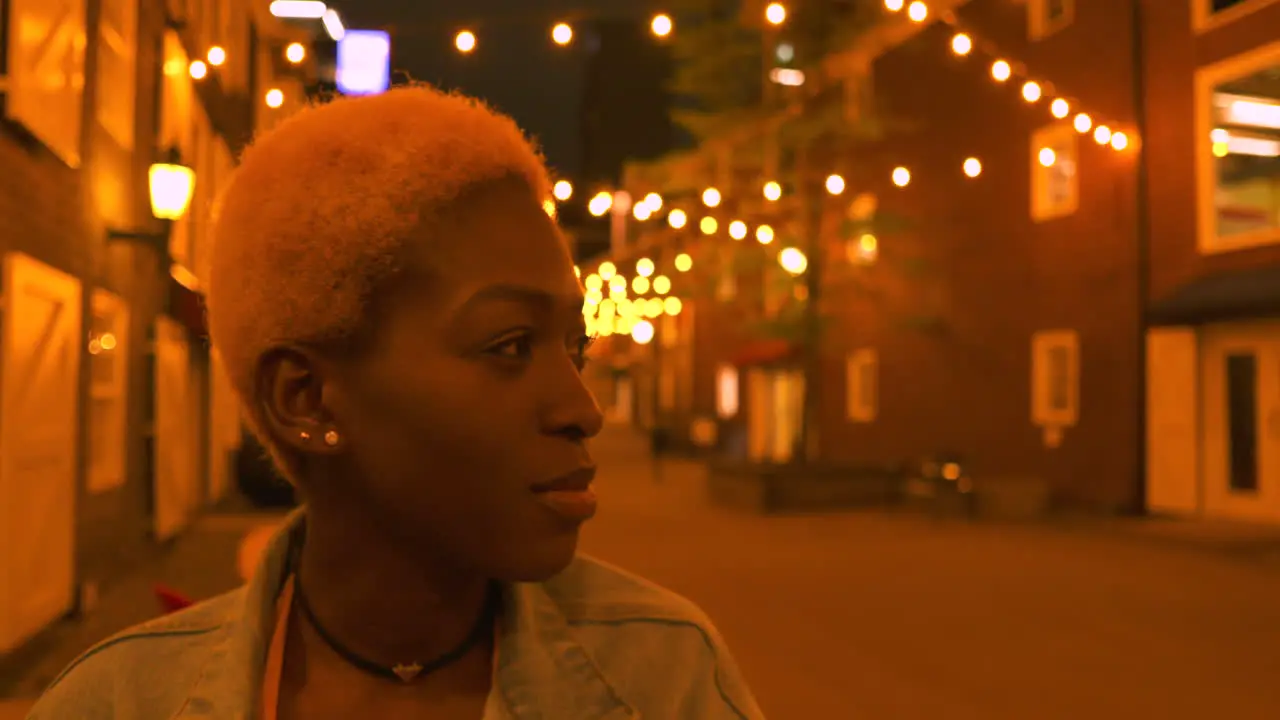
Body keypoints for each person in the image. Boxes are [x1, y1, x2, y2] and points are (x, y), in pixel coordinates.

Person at [26, 85, 763, 719]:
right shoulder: (122, 700)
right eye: (509, 345)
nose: (583, 410)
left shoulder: (665, 677)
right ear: (306, 399)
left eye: (573, 349)